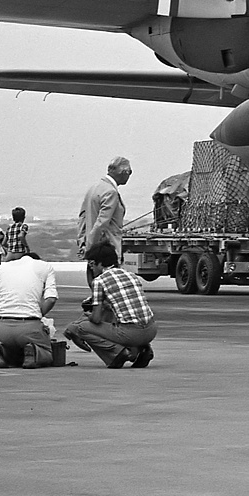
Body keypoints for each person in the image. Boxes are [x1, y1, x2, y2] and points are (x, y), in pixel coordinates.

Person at [64, 243, 155, 368]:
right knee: (113, 316)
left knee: (81, 328)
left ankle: (118, 353)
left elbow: (96, 318)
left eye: (91, 264)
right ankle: (142, 350)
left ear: (100, 264)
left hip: (131, 334)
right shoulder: (131, 275)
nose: (92, 269)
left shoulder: (99, 281)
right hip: (151, 330)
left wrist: (87, 316)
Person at [0, 241, 59, 368]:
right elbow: (51, 299)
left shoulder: (0, 268)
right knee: (48, 353)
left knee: (15, 353)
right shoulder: (45, 267)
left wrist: (2, 314)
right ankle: (34, 351)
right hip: (29, 325)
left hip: (3, 328)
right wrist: (38, 315)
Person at [79, 156, 132, 286]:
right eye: (129, 172)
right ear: (123, 172)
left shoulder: (94, 188)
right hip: (106, 250)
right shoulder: (110, 192)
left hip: (94, 249)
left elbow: (82, 218)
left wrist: (83, 242)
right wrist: (92, 248)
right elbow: (102, 223)